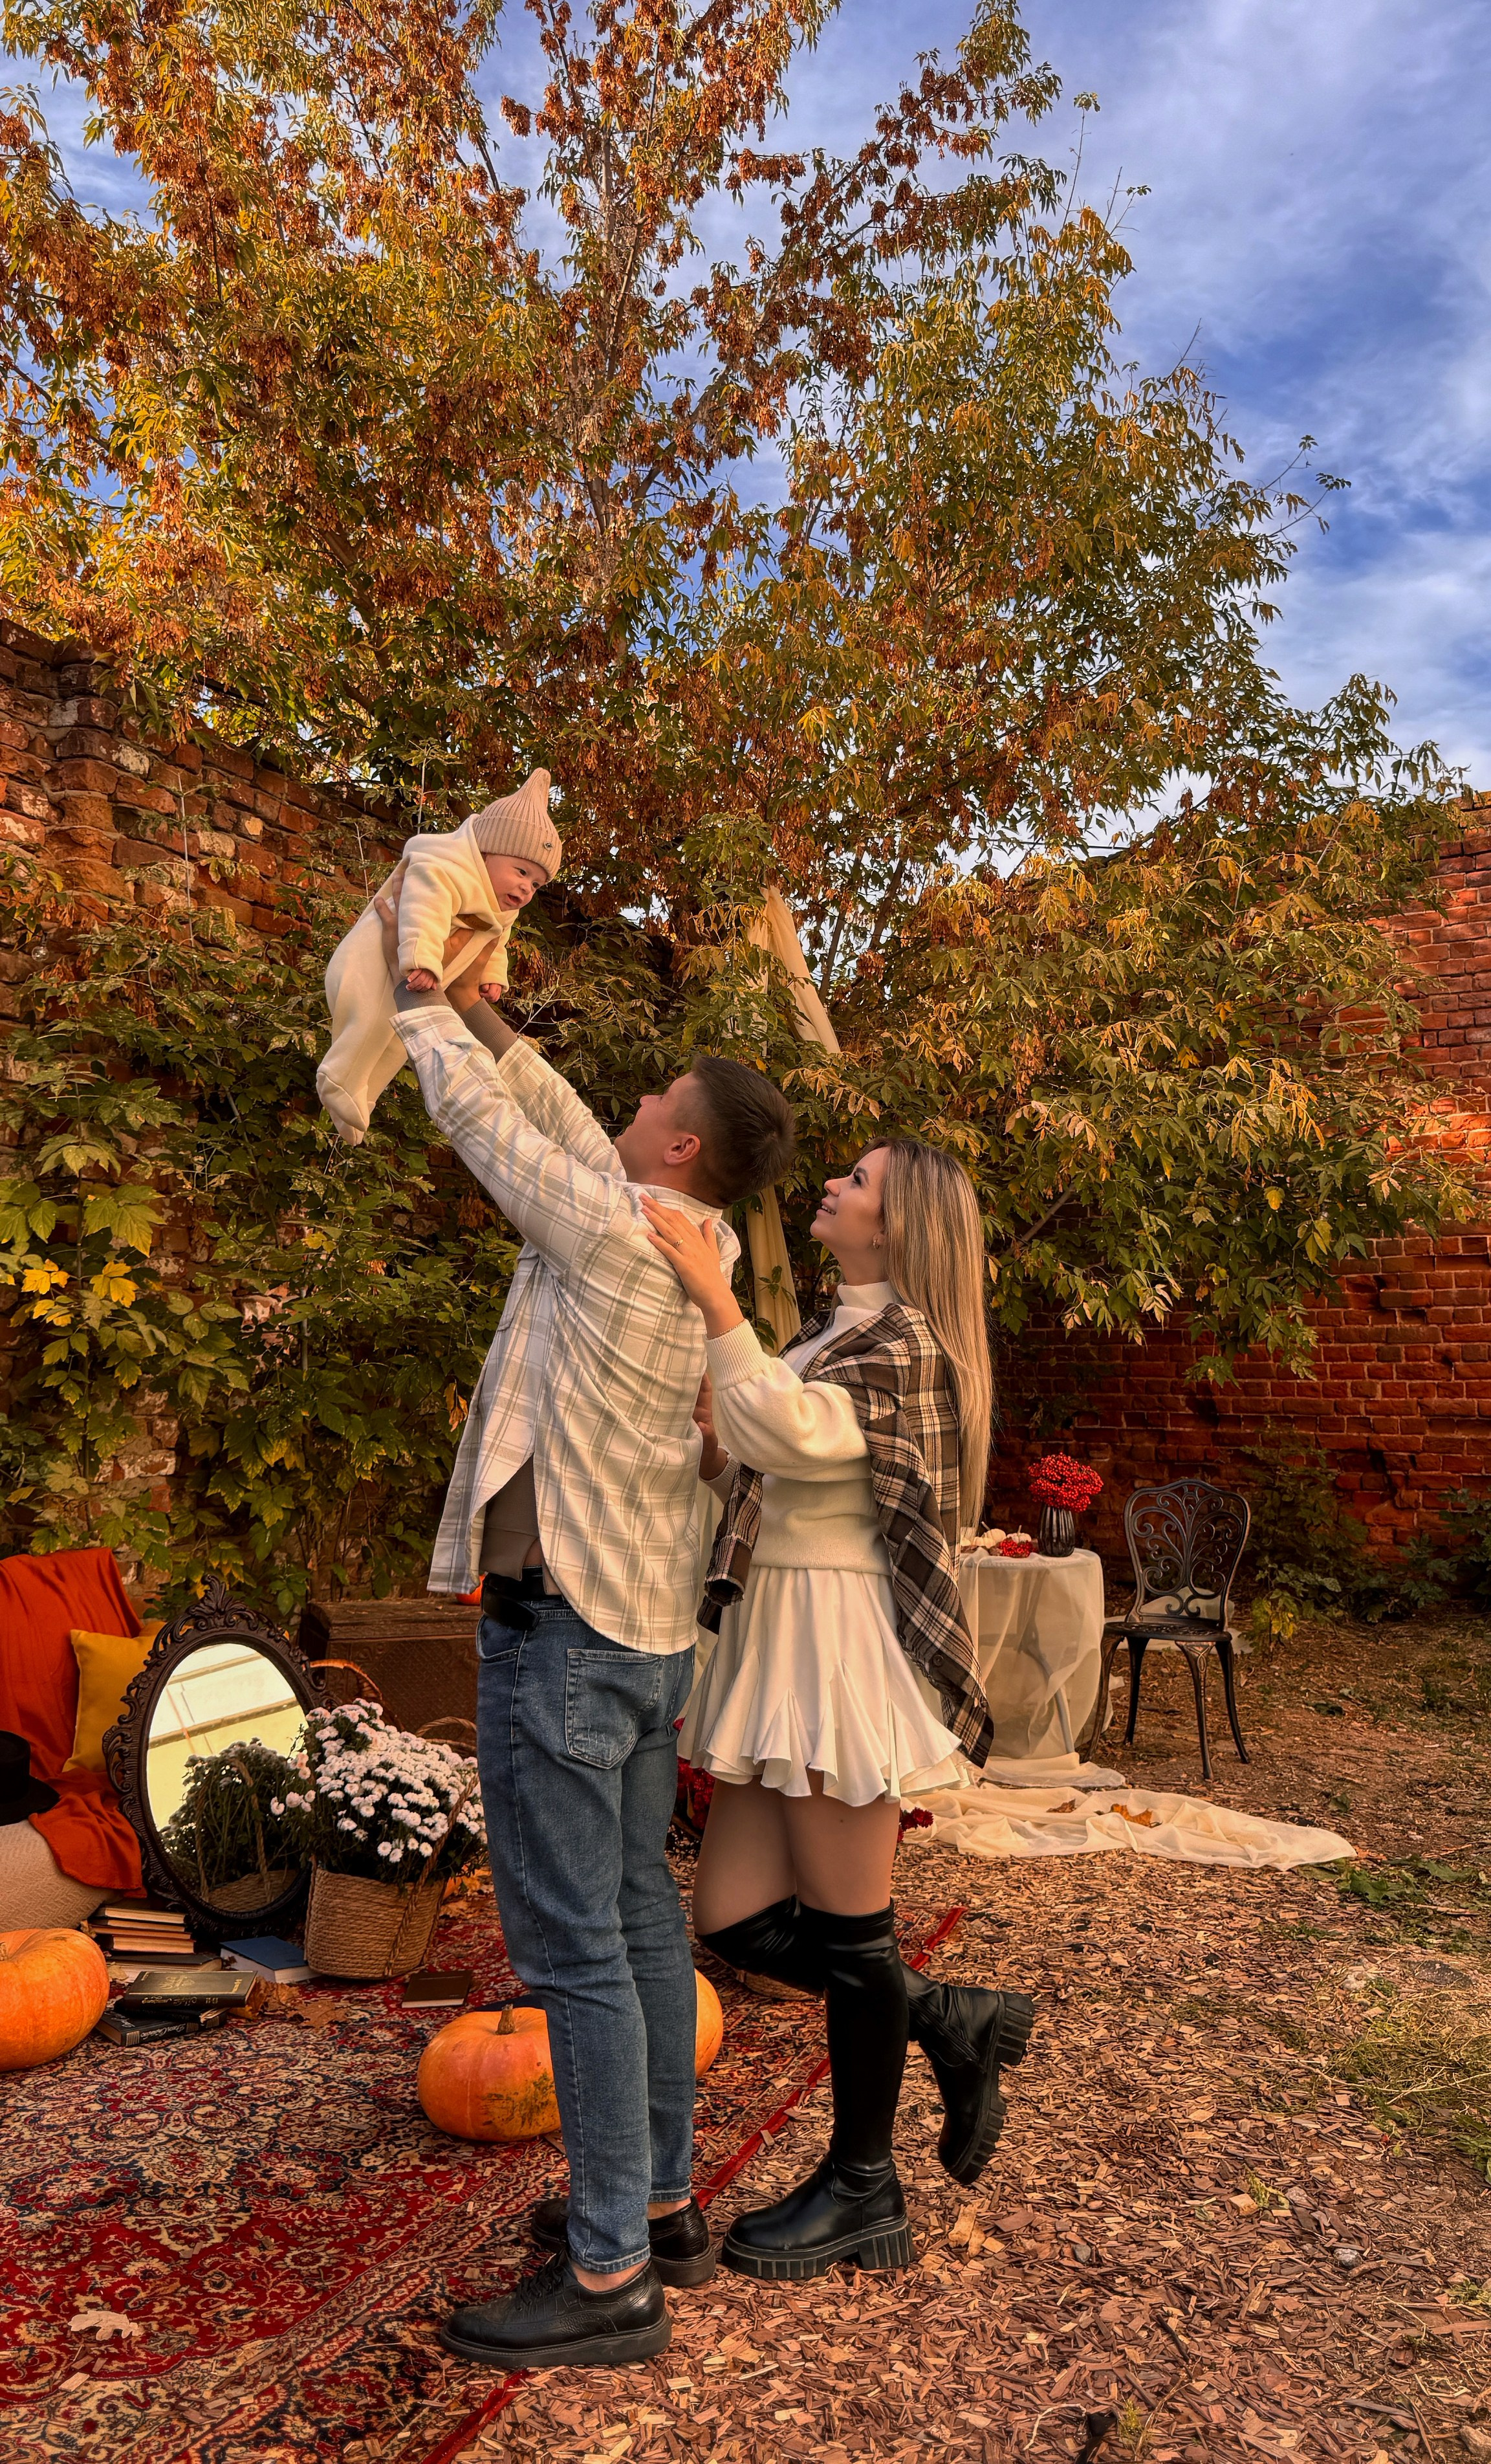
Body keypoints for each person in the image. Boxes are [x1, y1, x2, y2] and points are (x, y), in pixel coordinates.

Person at [375, 884, 796, 2370]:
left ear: (678, 1143)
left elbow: (489, 1128)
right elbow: (550, 1112)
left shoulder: (612, 1232)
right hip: (639, 1640)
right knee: (632, 1921)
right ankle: (661, 2207)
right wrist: (486, 1008)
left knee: (577, 1961)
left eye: (653, 1098)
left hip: (563, 1642)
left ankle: (610, 2272)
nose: (627, 1101)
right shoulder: (689, 1240)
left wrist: (420, 989)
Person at [643, 1140, 1035, 2282]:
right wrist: (711, 1443)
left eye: (857, 1182)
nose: (832, 1186)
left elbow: (790, 1434)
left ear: (897, 1226)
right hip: (781, 1629)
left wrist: (716, 1301)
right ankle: (947, 2016)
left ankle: (866, 2186)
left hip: (837, 1640)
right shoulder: (828, 1336)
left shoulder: (906, 1344)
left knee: (853, 1933)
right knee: (731, 1916)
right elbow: (763, 1454)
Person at [317, 769, 560, 1143]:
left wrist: (491, 976)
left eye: (536, 884)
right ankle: (338, 1077)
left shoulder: (501, 905)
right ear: (485, 852)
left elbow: (497, 939)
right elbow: (423, 910)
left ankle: (361, 1097)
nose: (526, 887)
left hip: (418, 977)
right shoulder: (445, 869)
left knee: (399, 1041)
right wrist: (424, 961)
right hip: (376, 962)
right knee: (369, 1022)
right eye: (521, 871)